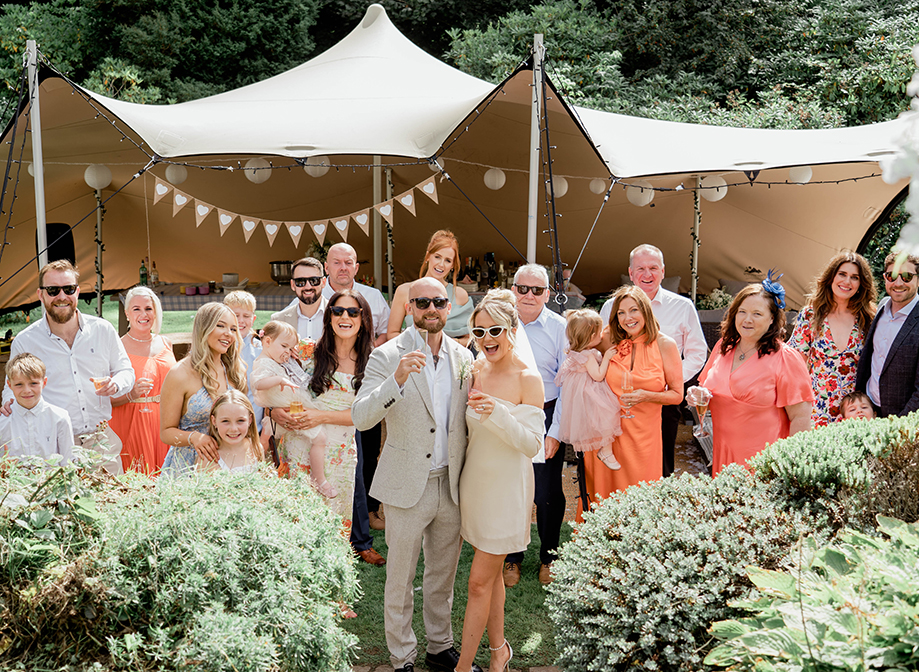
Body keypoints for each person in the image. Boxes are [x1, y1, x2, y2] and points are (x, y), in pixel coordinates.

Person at [351, 277, 476, 672]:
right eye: (422, 302)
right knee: (400, 579)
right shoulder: (387, 356)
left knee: (442, 576)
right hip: (405, 483)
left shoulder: (464, 356)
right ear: (408, 307)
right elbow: (361, 416)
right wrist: (398, 379)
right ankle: (402, 656)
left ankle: (440, 648)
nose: (432, 309)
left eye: (439, 301)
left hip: (450, 483)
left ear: (448, 307)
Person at [454, 290, 545, 672]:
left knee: (477, 583)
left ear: (510, 329)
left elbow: (532, 444)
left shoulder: (528, 377)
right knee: (488, 580)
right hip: (474, 486)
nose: (487, 338)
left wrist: (498, 414)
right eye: (479, 331)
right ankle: (499, 654)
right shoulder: (474, 370)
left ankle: (462, 667)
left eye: (494, 329)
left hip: (508, 491)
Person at [3, 260, 133, 474]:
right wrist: (9, 401)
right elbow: (13, 385)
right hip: (53, 443)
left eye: (69, 289)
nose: (62, 296)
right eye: (53, 290)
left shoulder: (103, 330)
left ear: (78, 292)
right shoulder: (26, 341)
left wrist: (116, 384)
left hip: (101, 440)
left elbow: (126, 371)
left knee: (111, 503)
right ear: (40, 294)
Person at [687, 276, 813, 476]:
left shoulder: (786, 358)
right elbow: (708, 393)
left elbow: (801, 418)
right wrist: (696, 395)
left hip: (765, 462)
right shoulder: (723, 347)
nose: (747, 319)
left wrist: (791, 468)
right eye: (742, 312)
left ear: (772, 319)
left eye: (757, 314)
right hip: (723, 456)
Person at [600, 245, 707, 477]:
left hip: (663, 399)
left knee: (661, 460)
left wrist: (670, 382)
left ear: (663, 271)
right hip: (619, 401)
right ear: (630, 273)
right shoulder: (611, 306)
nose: (647, 275)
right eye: (640, 269)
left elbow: (697, 352)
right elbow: (602, 348)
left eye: (653, 268)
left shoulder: (682, 306)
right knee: (621, 460)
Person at [288, 291, 378, 561]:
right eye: (338, 311)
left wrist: (320, 416)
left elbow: (365, 416)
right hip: (299, 447)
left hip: (341, 453)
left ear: (363, 318)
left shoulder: (372, 362)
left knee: (337, 521)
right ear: (328, 317)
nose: (345, 317)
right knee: (298, 522)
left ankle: (334, 597)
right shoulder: (306, 351)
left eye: (352, 312)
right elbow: (280, 390)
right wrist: (280, 413)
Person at [580, 286, 683, 513]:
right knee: (603, 499)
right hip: (606, 435)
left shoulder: (666, 345)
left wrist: (647, 396)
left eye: (634, 310)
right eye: (621, 313)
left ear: (646, 311)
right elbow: (576, 345)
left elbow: (677, 395)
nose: (628, 318)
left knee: (640, 498)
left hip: (643, 438)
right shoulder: (607, 338)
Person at [504, 264, 567, 588]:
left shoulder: (559, 328)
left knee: (546, 493)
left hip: (546, 412)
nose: (529, 295)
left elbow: (567, 383)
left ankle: (549, 557)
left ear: (548, 293)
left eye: (537, 290)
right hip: (508, 412)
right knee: (512, 488)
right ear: (513, 289)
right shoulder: (501, 322)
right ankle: (511, 557)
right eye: (523, 288)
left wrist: (555, 431)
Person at [322, 242, 390, 540]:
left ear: (356, 267)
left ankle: (365, 519)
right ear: (327, 266)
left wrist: (371, 355)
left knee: (365, 457)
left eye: (348, 262)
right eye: (336, 262)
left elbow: (387, 330)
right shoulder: (316, 294)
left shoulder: (373, 296)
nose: (342, 267)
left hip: (362, 375)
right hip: (327, 379)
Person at [789, 251, 876, 426]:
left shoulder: (868, 318)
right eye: (842, 274)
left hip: (855, 412)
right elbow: (795, 366)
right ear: (831, 278)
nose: (847, 281)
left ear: (861, 284)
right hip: (818, 408)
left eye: (854, 277)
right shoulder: (810, 315)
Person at [159, 302, 248, 475]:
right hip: (187, 467)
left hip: (230, 465)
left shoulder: (237, 372)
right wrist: (194, 438)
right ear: (203, 328)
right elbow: (166, 433)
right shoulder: (179, 374)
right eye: (220, 326)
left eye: (233, 329)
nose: (228, 334)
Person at [252, 321, 333, 497]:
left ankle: (255, 469)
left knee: (266, 437)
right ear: (267, 342)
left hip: (284, 408)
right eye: (283, 346)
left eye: (290, 348)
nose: (287, 352)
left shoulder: (279, 361)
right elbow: (257, 383)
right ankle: (320, 480)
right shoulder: (264, 363)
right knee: (320, 438)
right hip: (284, 406)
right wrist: (279, 380)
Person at [110, 286, 177, 474]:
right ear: (127, 314)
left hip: (164, 421)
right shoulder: (116, 348)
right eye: (136, 309)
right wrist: (131, 395)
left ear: (155, 312)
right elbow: (103, 399)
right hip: (131, 422)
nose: (143, 314)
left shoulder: (166, 343)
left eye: (148, 308)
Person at [854, 252, 919, 418]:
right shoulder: (882, 307)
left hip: (899, 420)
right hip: (869, 410)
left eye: (906, 276)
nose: (898, 283)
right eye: (892, 276)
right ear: (885, 278)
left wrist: (896, 427)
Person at [555, 309, 621, 468]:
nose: (602, 336)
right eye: (599, 333)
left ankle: (605, 450)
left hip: (579, 393)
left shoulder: (575, 352)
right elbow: (598, 375)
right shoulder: (588, 355)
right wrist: (606, 358)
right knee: (608, 412)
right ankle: (606, 451)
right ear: (592, 336)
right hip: (588, 391)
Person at [387, 230, 473, 346]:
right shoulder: (404, 291)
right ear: (428, 256)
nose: (441, 264)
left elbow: (472, 338)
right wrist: (418, 347)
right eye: (437, 257)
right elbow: (392, 334)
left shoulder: (459, 294)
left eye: (447, 260)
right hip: (415, 359)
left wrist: (450, 344)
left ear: (453, 265)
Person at [0, 353, 73, 462]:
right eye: (19, 384)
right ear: (9, 385)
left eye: (33, 383)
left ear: (44, 383)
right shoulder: (3, 420)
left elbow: (68, 460)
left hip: (53, 478)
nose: (27, 390)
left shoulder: (59, 417)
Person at [224, 290, 264, 432]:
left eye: (246, 316)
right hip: (222, 427)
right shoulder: (218, 346)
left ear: (253, 319)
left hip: (253, 428)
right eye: (235, 315)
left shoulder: (260, 350)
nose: (240, 321)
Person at [198, 389, 263, 473]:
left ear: (250, 420)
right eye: (225, 421)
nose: (233, 429)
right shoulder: (207, 458)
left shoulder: (256, 448)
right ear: (214, 421)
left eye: (240, 421)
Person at [271, 257, 327, 341]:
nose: (308, 286)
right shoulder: (279, 320)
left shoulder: (338, 314)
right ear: (293, 285)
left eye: (314, 280)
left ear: (323, 282)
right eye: (300, 281)